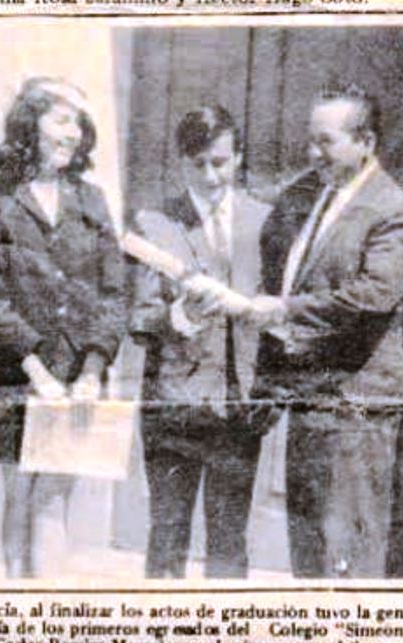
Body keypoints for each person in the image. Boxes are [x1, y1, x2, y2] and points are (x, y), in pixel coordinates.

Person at [0, 77, 126, 578]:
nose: (74, 133)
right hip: (13, 373)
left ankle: (45, 609)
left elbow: (113, 293)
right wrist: (35, 370)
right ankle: (17, 602)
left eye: (79, 123)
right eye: (62, 120)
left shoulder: (92, 200)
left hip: (76, 377)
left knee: (54, 499)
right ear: (30, 123)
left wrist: (91, 370)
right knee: (19, 494)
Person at [247, 83, 403, 578]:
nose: (312, 153)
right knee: (308, 549)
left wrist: (283, 310)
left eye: (325, 141)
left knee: (346, 554)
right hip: (308, 401)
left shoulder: (394, 210)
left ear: (365, 141)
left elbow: (373, 295)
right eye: (310, 140)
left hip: (355, 407)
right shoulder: (308, 195)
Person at [129, 106, 271, 578]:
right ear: (181, 162)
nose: (211, 176)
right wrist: (180, 316)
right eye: (198, 164)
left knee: (229, 541)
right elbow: (141, 316)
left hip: (238, 406)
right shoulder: (154, 224)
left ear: (239, 157)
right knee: (167, 537)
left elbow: (279, 308)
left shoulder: (264, 220)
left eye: (220, 162)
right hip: (174, 407)